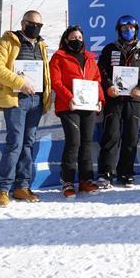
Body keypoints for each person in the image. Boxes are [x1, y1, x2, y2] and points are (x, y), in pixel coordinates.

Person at [0, 10, 52, 207]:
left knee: (27, 144)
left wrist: (46, 96)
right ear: (23, 23)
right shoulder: (7, 41)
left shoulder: (41, 45)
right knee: (14, 143)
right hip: (15, 100)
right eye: (32, 24)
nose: (36, 27)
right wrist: (20, 82)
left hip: (36, 101)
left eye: (39, 25)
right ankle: (3, 189)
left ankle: (22, 186)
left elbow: (45, 73)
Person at [97, 15, 140, 189]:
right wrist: (108, 87)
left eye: (131, 28)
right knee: (111, 136)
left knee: (131, 137)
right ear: (119, 30)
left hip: (134, 100)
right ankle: (106, 173)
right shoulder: (110, 49)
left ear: (136, 29)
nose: (128, 31)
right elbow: (101, 71)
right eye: (124, 29)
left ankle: (126, 172)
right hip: (114, 99)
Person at [49, 25, 105, 198]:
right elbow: (56, 82)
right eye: (73, 38)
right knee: (74, 142)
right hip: (69, 106)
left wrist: (100, 99)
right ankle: (67, 181)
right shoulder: (58, 57)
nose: (77, 41)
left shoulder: (89, 57)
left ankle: (85, 180)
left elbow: (97, 79)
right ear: (66, 39)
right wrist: (69, 98)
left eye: (80, 38)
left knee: (87, 143)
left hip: (88, 105)